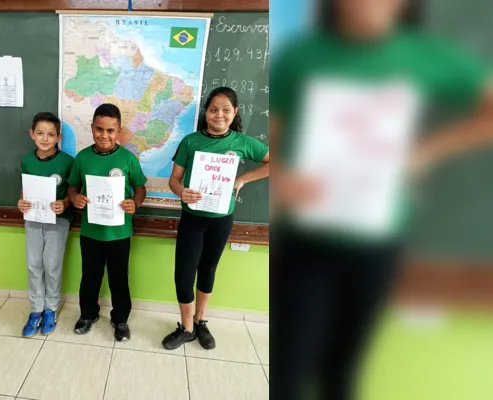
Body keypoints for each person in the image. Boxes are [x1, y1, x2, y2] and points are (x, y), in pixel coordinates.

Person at [269, 0, 493, 399]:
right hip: (306, 242)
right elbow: (276, 134)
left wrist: (429, 150)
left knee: (341, 374)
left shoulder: (423, 54)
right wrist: (282, 178)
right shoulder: (302, 56)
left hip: (376, 243)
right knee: (287, 372)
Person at [161, 87, 270, 351]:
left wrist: (242, 179)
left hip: (221, 220)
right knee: (184, 275)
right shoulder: (191, 142)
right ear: (206, 112)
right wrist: (181, 192)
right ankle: (186, 328)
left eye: (225, 110)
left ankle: (200, 321)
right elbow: (174, 180)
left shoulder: (243, 142)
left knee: (208, 270)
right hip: (192, 219)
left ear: (235, 113)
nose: (219, 115)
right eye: (213, 109)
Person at [67, 103, 148, 341]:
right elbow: (72, 186)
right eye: (99, 129)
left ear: (119, 131)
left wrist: (136, 202)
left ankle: (120, 319)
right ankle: (87, 314)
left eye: (110, 130)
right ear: (92, 128)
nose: (104, 135)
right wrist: (75, 198)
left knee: (118, 278)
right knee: (89, 276)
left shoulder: (127, 159)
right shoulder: (82, 158)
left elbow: (140, 187)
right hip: (90, 233)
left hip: (119, 234)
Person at [17, 112, 73, 337]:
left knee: (51, 265)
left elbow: (72, 192)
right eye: (40, 133)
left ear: (58, 137)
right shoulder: (27, 160)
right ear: (32, 134)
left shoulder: (67, 161)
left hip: (58, 220)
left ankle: (50, 308)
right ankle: (35, 310)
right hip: (33, 218)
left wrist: (65, 203)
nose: (45, 138)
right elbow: (25, 188)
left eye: (51, 134)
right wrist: (21, 202)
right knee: (33, 264)